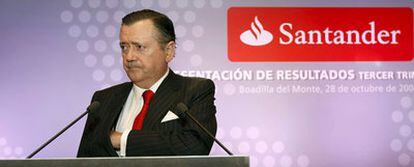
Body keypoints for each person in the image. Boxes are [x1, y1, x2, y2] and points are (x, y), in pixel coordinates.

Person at [77, 9, 217, 157]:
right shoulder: (103, 100)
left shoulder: (195, 91)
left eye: (139, 47)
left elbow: (195, 146)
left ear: (168, 51)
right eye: (124, 47)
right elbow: (85, 159)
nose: (129, 56)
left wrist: (122, 140)